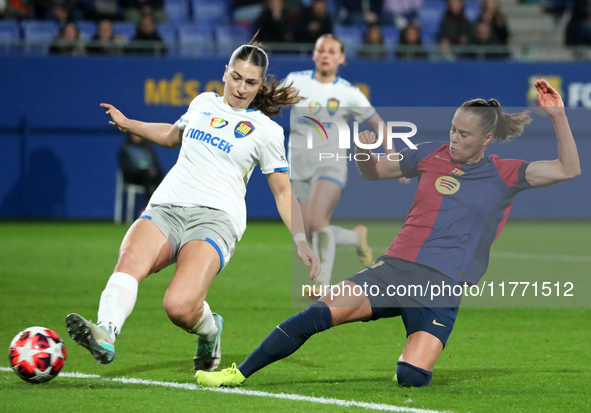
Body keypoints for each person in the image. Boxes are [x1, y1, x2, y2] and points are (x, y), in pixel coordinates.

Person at [195, 79, 580, 388]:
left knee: (410, 377)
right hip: (394, 270)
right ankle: (236, 374)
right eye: (452, 129)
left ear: (486, 139)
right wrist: (363, 152)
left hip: (441, 285)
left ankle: (412, 342)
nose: (454, 138)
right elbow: (375, 171)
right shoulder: (431, 154)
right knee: (316, 315)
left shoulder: (506, 172)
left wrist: (558, 116)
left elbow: (568, 169)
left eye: (464, 134)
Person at [65, 43, 321, 371]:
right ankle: (106, 332)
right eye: (237, 77)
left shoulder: (266, 131)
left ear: (260, 86)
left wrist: (300, 240)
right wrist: (129, 123)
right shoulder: (203, 103)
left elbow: (284, 192)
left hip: (215, 219)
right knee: (129, 261)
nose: (241, 88)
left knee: (180, 307)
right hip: (167, 205)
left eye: (251, 82)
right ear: (225, 73)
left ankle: (210, 329)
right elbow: (173, 136)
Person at [283, 33, 406, 294]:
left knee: (318, 222)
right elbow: (270, 104)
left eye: (331, 51)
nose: (326, 55)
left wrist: (393, 157)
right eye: (321, 50)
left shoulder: (348, 92)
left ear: (341, 58)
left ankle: (321, 284)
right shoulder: (296, 81)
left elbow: (378, 123)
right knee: (310, 232)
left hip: (331, 164)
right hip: (298, 165)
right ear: (314, 55)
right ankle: (355, 237)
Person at [117, 132, 164, 200]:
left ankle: (161, 198)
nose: (137, 137)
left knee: (159, 173)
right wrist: (141, 170)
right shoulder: (126, 149)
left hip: (149, 175)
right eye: (135, 135)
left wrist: (153, 170)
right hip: (133, 176)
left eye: (139, 135)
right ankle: (148, 200)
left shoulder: (148, 149)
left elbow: (155, 163)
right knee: (145, 174)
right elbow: (126, 166)